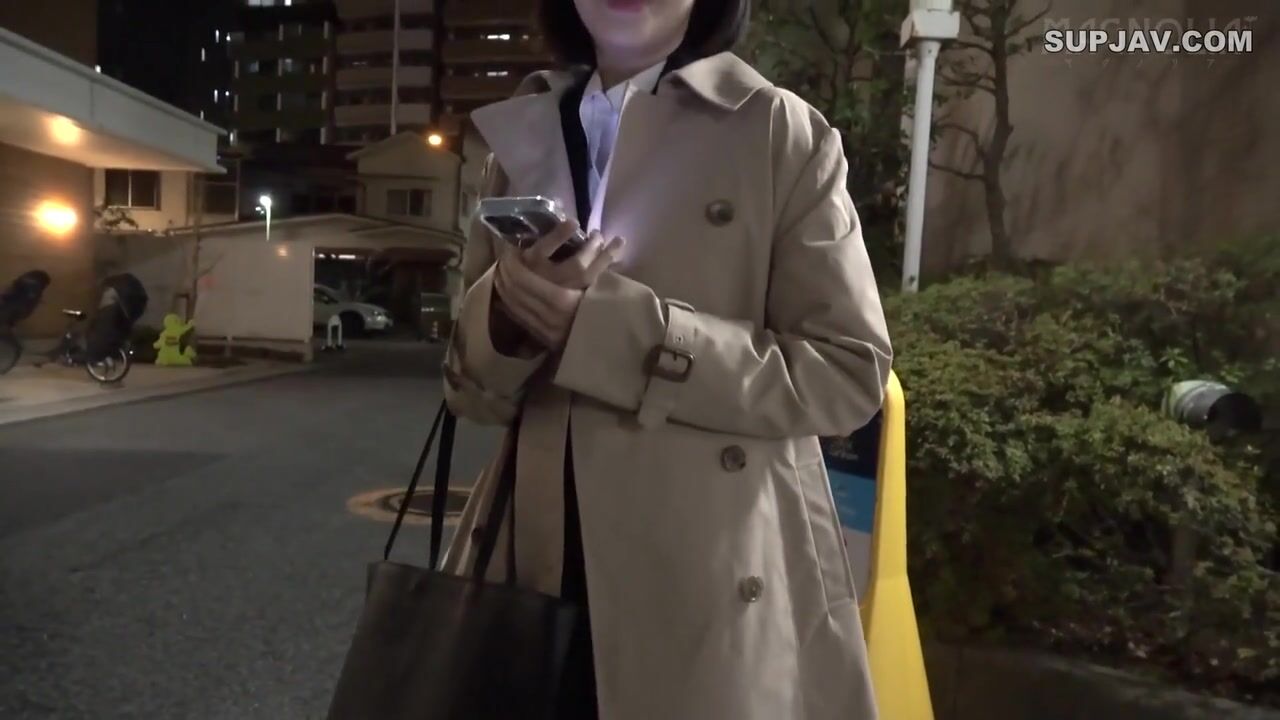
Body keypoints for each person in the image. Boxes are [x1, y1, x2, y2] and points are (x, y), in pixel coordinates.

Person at [440, 0, 893, 718]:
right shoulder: (523, 137)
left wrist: (615, 334)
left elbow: (846, 373)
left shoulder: (777, 130)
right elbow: (471, 395)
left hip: (707, 584)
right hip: (532, 568)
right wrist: (507, 315)